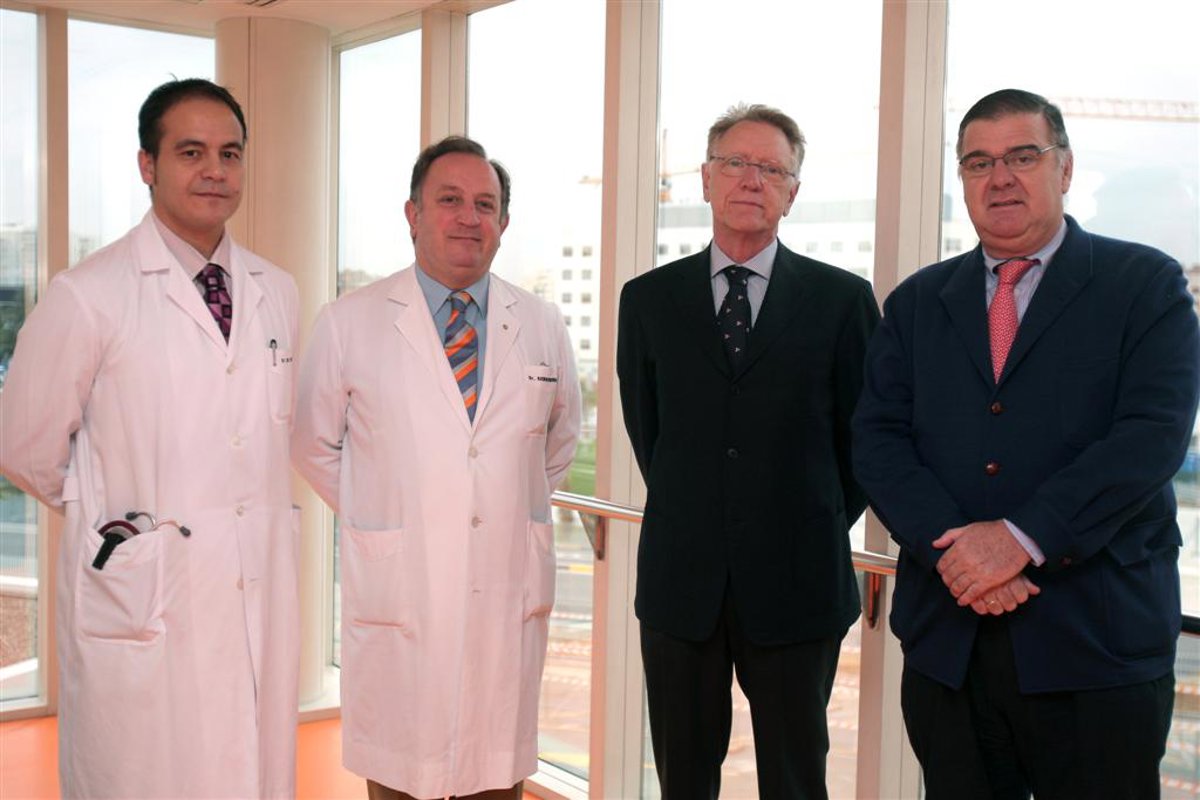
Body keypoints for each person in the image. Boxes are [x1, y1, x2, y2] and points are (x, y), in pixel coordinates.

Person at [853, 88, 1200, 799]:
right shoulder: (917, 303)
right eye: (979, 162)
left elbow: (1150, 437)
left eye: (1022, 156)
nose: (1000, 178)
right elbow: (878, 440)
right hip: (951, 648)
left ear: (1064, 168)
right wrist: (961, 555)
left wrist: (1019, 539)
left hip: (1097, 647)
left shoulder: (1145, 286)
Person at [0, 78, 300, 798]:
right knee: (146, 773)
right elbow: (24, 447)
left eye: (229, 153)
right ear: (147, 165)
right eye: (191, 152)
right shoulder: (88, 293)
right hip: (144, 596)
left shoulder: (277, 290)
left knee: (248, 769)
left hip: (252, 584)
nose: (214, 170)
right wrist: (119, 527)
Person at [291, 135, 581, 800]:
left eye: (485, 204)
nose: (468, 217)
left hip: (504, 589)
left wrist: (492, 502)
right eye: (449, 200)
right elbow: (312, 443)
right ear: (413, 214)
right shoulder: (350, 321)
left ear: (503, 223)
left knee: (496, 780)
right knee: (400, 777)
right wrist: (390, 513)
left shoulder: (541, 323)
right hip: (402, 594)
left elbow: (560, 439)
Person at [616, 103, 880, 799]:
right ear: (706, 178)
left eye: (771, 169)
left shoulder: (843, 301)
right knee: (683, 778)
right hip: (682, 584)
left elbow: (862, 444)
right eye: (735, 163)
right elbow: (651, 433)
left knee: (796, 779)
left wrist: (806, 517)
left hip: (799, 582)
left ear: (792, 192)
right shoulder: (647, 301)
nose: (751, 180)